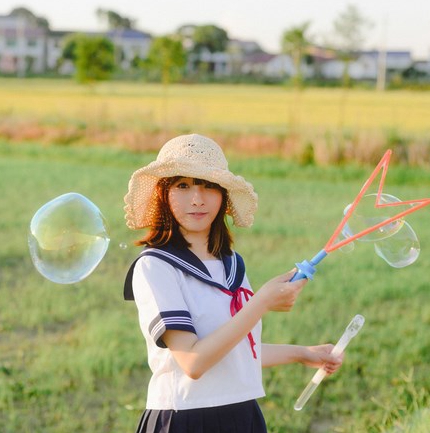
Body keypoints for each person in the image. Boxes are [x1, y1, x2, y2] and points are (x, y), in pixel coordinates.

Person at [123, 134, 344, 433]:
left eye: (209, 186)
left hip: (242, 415)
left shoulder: (232, 264)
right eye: (183, 186)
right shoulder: (155, 266)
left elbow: (237, 351)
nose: (198, 198)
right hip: (184, 418)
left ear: (223, 196)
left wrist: (303, 353)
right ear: (164, 194)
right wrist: (261, 303)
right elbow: (194, 362)